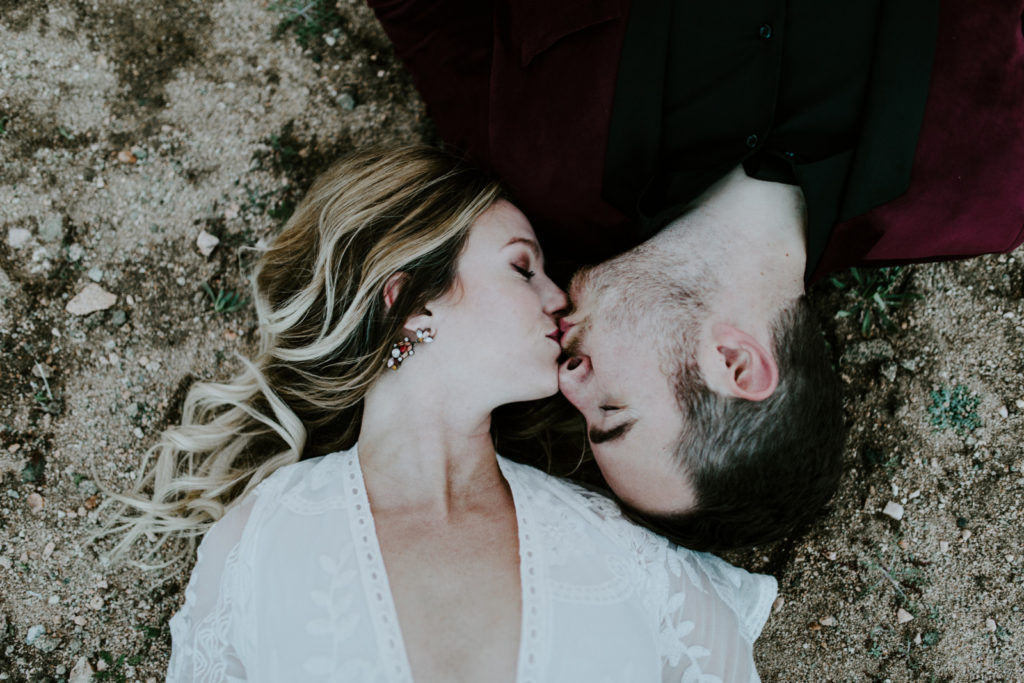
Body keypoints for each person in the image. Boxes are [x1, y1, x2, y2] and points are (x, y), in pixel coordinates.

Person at [368, 0, 1024, 550]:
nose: (566, 379)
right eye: (612, 413)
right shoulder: (991, 180)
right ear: (737, 363)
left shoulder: (533, 174)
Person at [105, 146, 777, 681]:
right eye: (523, 267)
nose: (558, 299)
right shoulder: (263, 538)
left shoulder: (617, 546)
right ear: (411, 300)